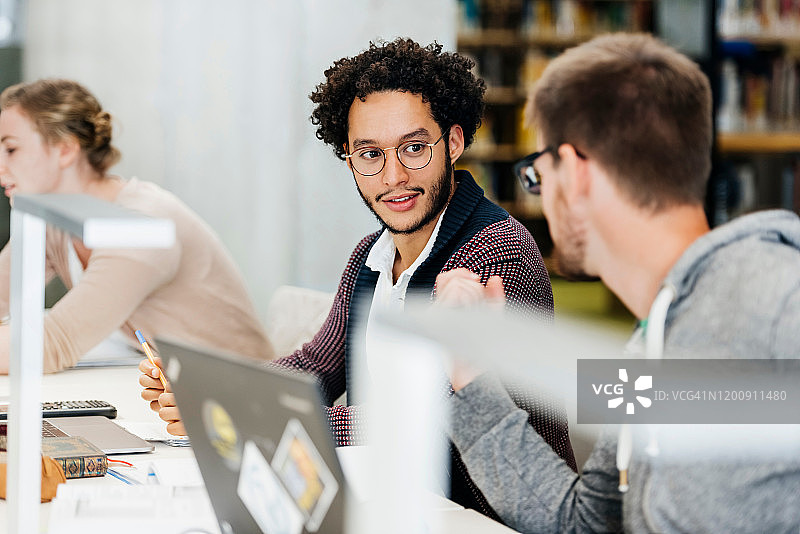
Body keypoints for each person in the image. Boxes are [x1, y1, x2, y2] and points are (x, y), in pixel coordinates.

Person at [140, 38, 576, 519]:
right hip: (392, 502)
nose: (392, 176)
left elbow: (427, 423)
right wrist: (214, 392)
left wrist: (247, 413)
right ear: (347, 156)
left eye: (414, 147)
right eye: (369, 154)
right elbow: (316, 367)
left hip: (487, 518)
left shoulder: (494, 254)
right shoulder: (370, 255)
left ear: (453, 143)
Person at [439, 33, 800, 532]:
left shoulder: (775, 300)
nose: (542, 200)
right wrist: (473, 375)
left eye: (537, 176)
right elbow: (585, 521)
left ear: (575, 174)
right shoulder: (649, 343)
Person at [0, 78, 274, 374]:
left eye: (11, 150)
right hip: (156, 379)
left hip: (230, 395)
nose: (1, 165)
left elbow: (51, 345)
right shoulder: (54, 217)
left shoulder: (142, 224)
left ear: (65, 149)